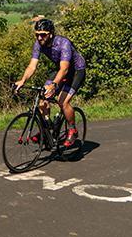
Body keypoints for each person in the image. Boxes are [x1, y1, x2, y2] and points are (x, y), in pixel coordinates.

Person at [14, 18, 86, 147]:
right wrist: (23, 80)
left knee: (62, 102)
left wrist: (53, 85)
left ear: (51, 34)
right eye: (37, 34)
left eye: (43, 34)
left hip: (76, 71)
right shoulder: (38, 44)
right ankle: (46, 130)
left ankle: (72, 129)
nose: (39, 37)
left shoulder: (63, 43)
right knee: (42, 98)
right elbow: (32, 66)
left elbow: (64, 69)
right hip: (60, 70)